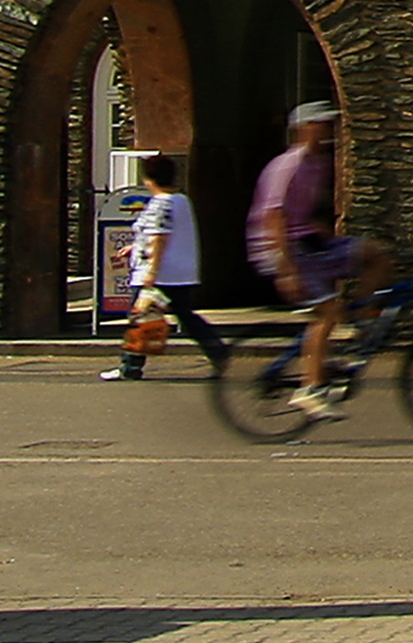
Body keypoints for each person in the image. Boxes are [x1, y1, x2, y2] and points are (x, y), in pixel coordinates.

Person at [247, 101, 387, 421]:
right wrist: (286, 270)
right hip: (284, 247)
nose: (328, 130)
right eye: (322, 124)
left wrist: (330, 238)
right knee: (327, 311)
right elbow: (274, 217)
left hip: (311, 241)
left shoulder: (318, 164)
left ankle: (357, 324)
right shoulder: (288, 165)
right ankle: (308, 390)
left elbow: (306, 213)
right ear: (305, 128)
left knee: (377, 256)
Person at [101, 152, 230, 381]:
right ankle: (218, 351)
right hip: (181, 272)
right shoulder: (181, 200)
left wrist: (151, 269)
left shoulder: (160, 204)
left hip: (158, 274)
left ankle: (129, 367)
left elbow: (159, 237)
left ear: (148, 180)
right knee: (186, 317)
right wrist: (135, 246)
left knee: (139, 318)